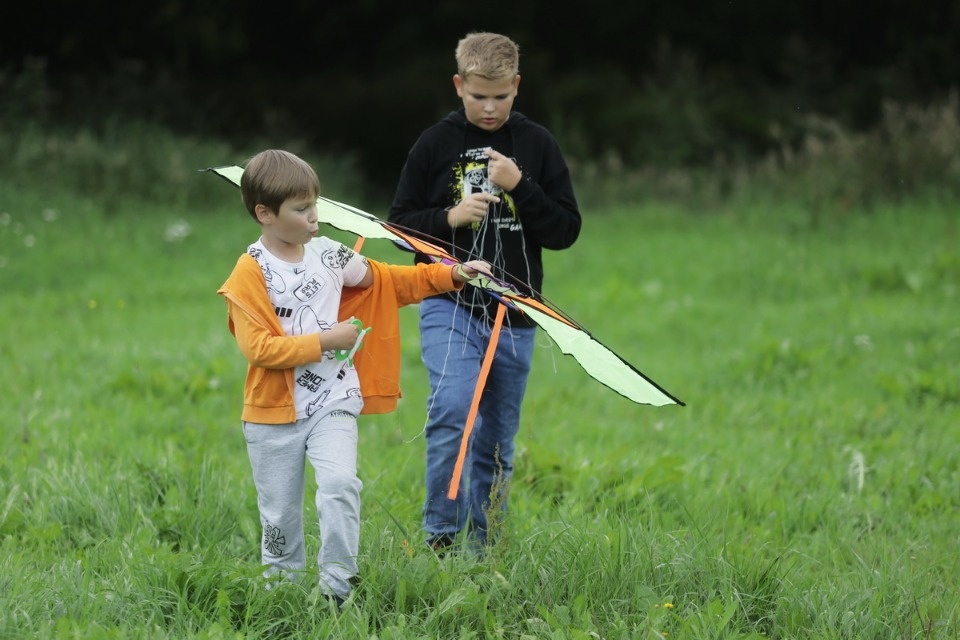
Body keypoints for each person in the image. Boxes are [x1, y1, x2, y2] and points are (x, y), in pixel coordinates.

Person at [217, 149, 490, 604]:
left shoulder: (329, 254)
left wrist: (452, 274)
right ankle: (280, 596)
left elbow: (387, 281)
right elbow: (258, 348)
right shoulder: (250, 271)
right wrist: (327, 340)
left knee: (341, 485)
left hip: (334, 399)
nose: (314, 216)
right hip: (271, 414)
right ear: (264, 214)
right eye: (301, 209)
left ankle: (337, 590)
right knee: (279, 516)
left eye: (315, 204)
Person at [386, 32, 582, 552]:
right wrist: (448, 218)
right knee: (451, 411)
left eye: (500, 96)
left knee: (496, 442)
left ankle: (484, 546)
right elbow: (398, 225)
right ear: (458, 85)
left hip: (516, 315)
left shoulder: (537, 146)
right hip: (448, 301)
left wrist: (520, 185)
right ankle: (440, 536)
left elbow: (565, 231)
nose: (490, 107)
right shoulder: (433, 144)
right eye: (478, 96)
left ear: (517, 86)